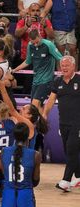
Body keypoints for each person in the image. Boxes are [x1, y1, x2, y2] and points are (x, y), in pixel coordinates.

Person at [43, 55, 80, 192]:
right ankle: (79, 175)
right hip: (63, 122)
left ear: (74, 67)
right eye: (62, 66)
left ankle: (66, 180)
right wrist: (45, 114)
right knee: (68, 150)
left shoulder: (79, 80)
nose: (64, 68)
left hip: (78, 123)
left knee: (71, 149)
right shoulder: (57, 81)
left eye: (67, 66)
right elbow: (51, 100)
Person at [12, 29, 62, 111]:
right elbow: (27, 61)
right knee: (36, 106)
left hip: (46, 80)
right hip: (35, 80)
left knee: (35, 105)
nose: (35, 45)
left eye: (37, 42)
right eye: (33, 42)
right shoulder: (30, 45)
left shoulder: (49, 45)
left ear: (40, 36)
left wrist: (63, 72)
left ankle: (38, 123)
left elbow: (60, 58)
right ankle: (42, 122)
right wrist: (15, 69)